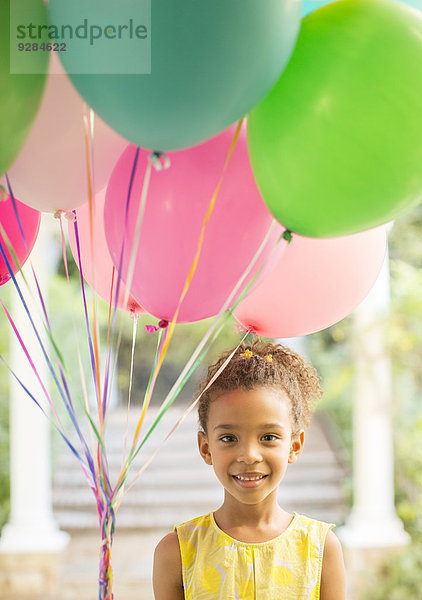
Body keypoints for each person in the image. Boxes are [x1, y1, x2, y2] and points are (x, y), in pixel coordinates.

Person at [153, 340, 346, 599]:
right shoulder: (177, 552)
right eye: (229, 438)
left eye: (268, 437)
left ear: (295, 445)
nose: (249, 455)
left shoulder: (321, 549)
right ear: (206, 447)